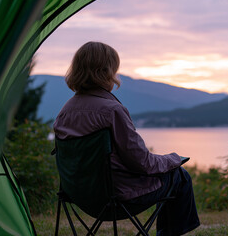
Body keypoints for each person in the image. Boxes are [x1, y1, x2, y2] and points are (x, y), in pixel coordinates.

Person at [53, 41, 200, 235]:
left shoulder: (64, 113)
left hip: (81, 197)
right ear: (106, 71)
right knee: (180, 176)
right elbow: (142, 162)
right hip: (117, 198)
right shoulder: (112, 110)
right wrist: (173, 159)